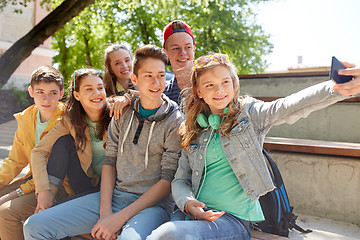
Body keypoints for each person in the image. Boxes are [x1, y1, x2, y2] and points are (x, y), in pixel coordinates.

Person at [146, 54, 360, 240]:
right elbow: (181, 179)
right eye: (209, 84)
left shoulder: (250, 115)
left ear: (234, 85)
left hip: (231, 222)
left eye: (225, 82)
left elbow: (288, 106)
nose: (219, 90)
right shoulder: (193, 128)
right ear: (198, 91)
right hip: (189, 216)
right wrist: (187, 202)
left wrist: (334, 89)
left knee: (166, 235)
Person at [23, 44, 184, 240]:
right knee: (35, 226)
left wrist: (118, 219)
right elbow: (110, 162)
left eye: (160, 75)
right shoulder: (121, 112)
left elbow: (167, 181)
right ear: (134, 79)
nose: (156, 82)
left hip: (152, 207)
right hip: (115, 197)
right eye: (148, 75)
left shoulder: (175, 121)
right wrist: (106, 213)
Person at [30, 68, 111, 213]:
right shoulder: (70, 120)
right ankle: (50, 197)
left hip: (115, 186)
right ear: (77, 95)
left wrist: (127, 97)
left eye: (100, 88)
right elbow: (38, 152)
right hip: (88, 184)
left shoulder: (116, 113)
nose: (97, 93)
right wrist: (43, 191)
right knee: (64, 142)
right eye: (89, 89)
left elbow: (139, 98)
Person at [0, 66, 65, 240]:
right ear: (31, 91)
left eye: (53, 92)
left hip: (59, 185)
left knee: (5, 212)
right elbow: (15, 160)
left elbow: (53, 171)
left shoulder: (66, 119)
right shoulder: (27, 118)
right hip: (33, 179)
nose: (46, 98)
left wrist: (16, 192)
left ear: (61, 93)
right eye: (40, 92)